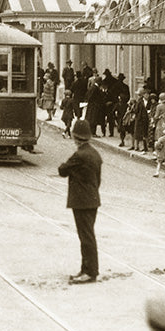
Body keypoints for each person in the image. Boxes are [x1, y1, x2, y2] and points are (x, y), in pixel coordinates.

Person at [59, 119, 101, 284]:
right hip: (93, 199)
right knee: (88, 235)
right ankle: (87, 269)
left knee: (86, 237)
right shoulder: (94, 153)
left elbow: (62, 170)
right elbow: (97, 180)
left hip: (82, 201)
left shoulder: (79, 155)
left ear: (75, 136)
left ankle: (90, 272)